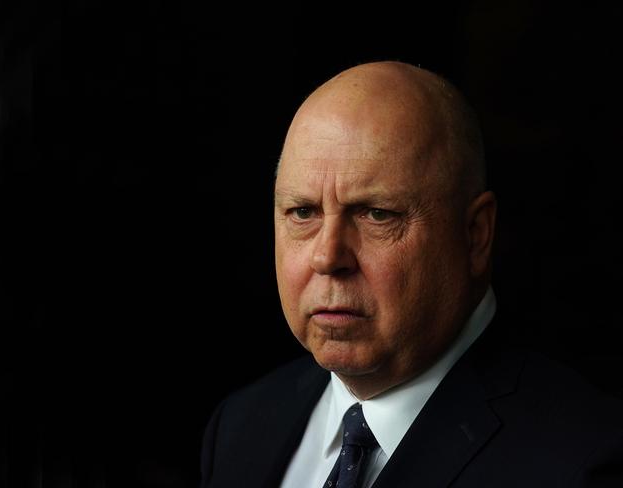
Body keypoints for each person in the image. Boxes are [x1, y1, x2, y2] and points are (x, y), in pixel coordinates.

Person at [199, 61, 623, 487]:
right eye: (303, 212)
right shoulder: (240, 426)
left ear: (475, 234)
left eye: (376, 214)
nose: (327, 257)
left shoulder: (584, 462)